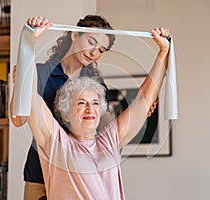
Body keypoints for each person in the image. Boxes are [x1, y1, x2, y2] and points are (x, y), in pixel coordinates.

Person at [12, 23, 170, 199]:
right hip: (38, 176)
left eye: (95, 103)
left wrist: (164, 51)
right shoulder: (57, 143)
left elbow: (144, 99)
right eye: (81, 103)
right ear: (65, 113)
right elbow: (30, 99)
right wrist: (30, 40)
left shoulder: (110, 141)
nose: (90, 109)